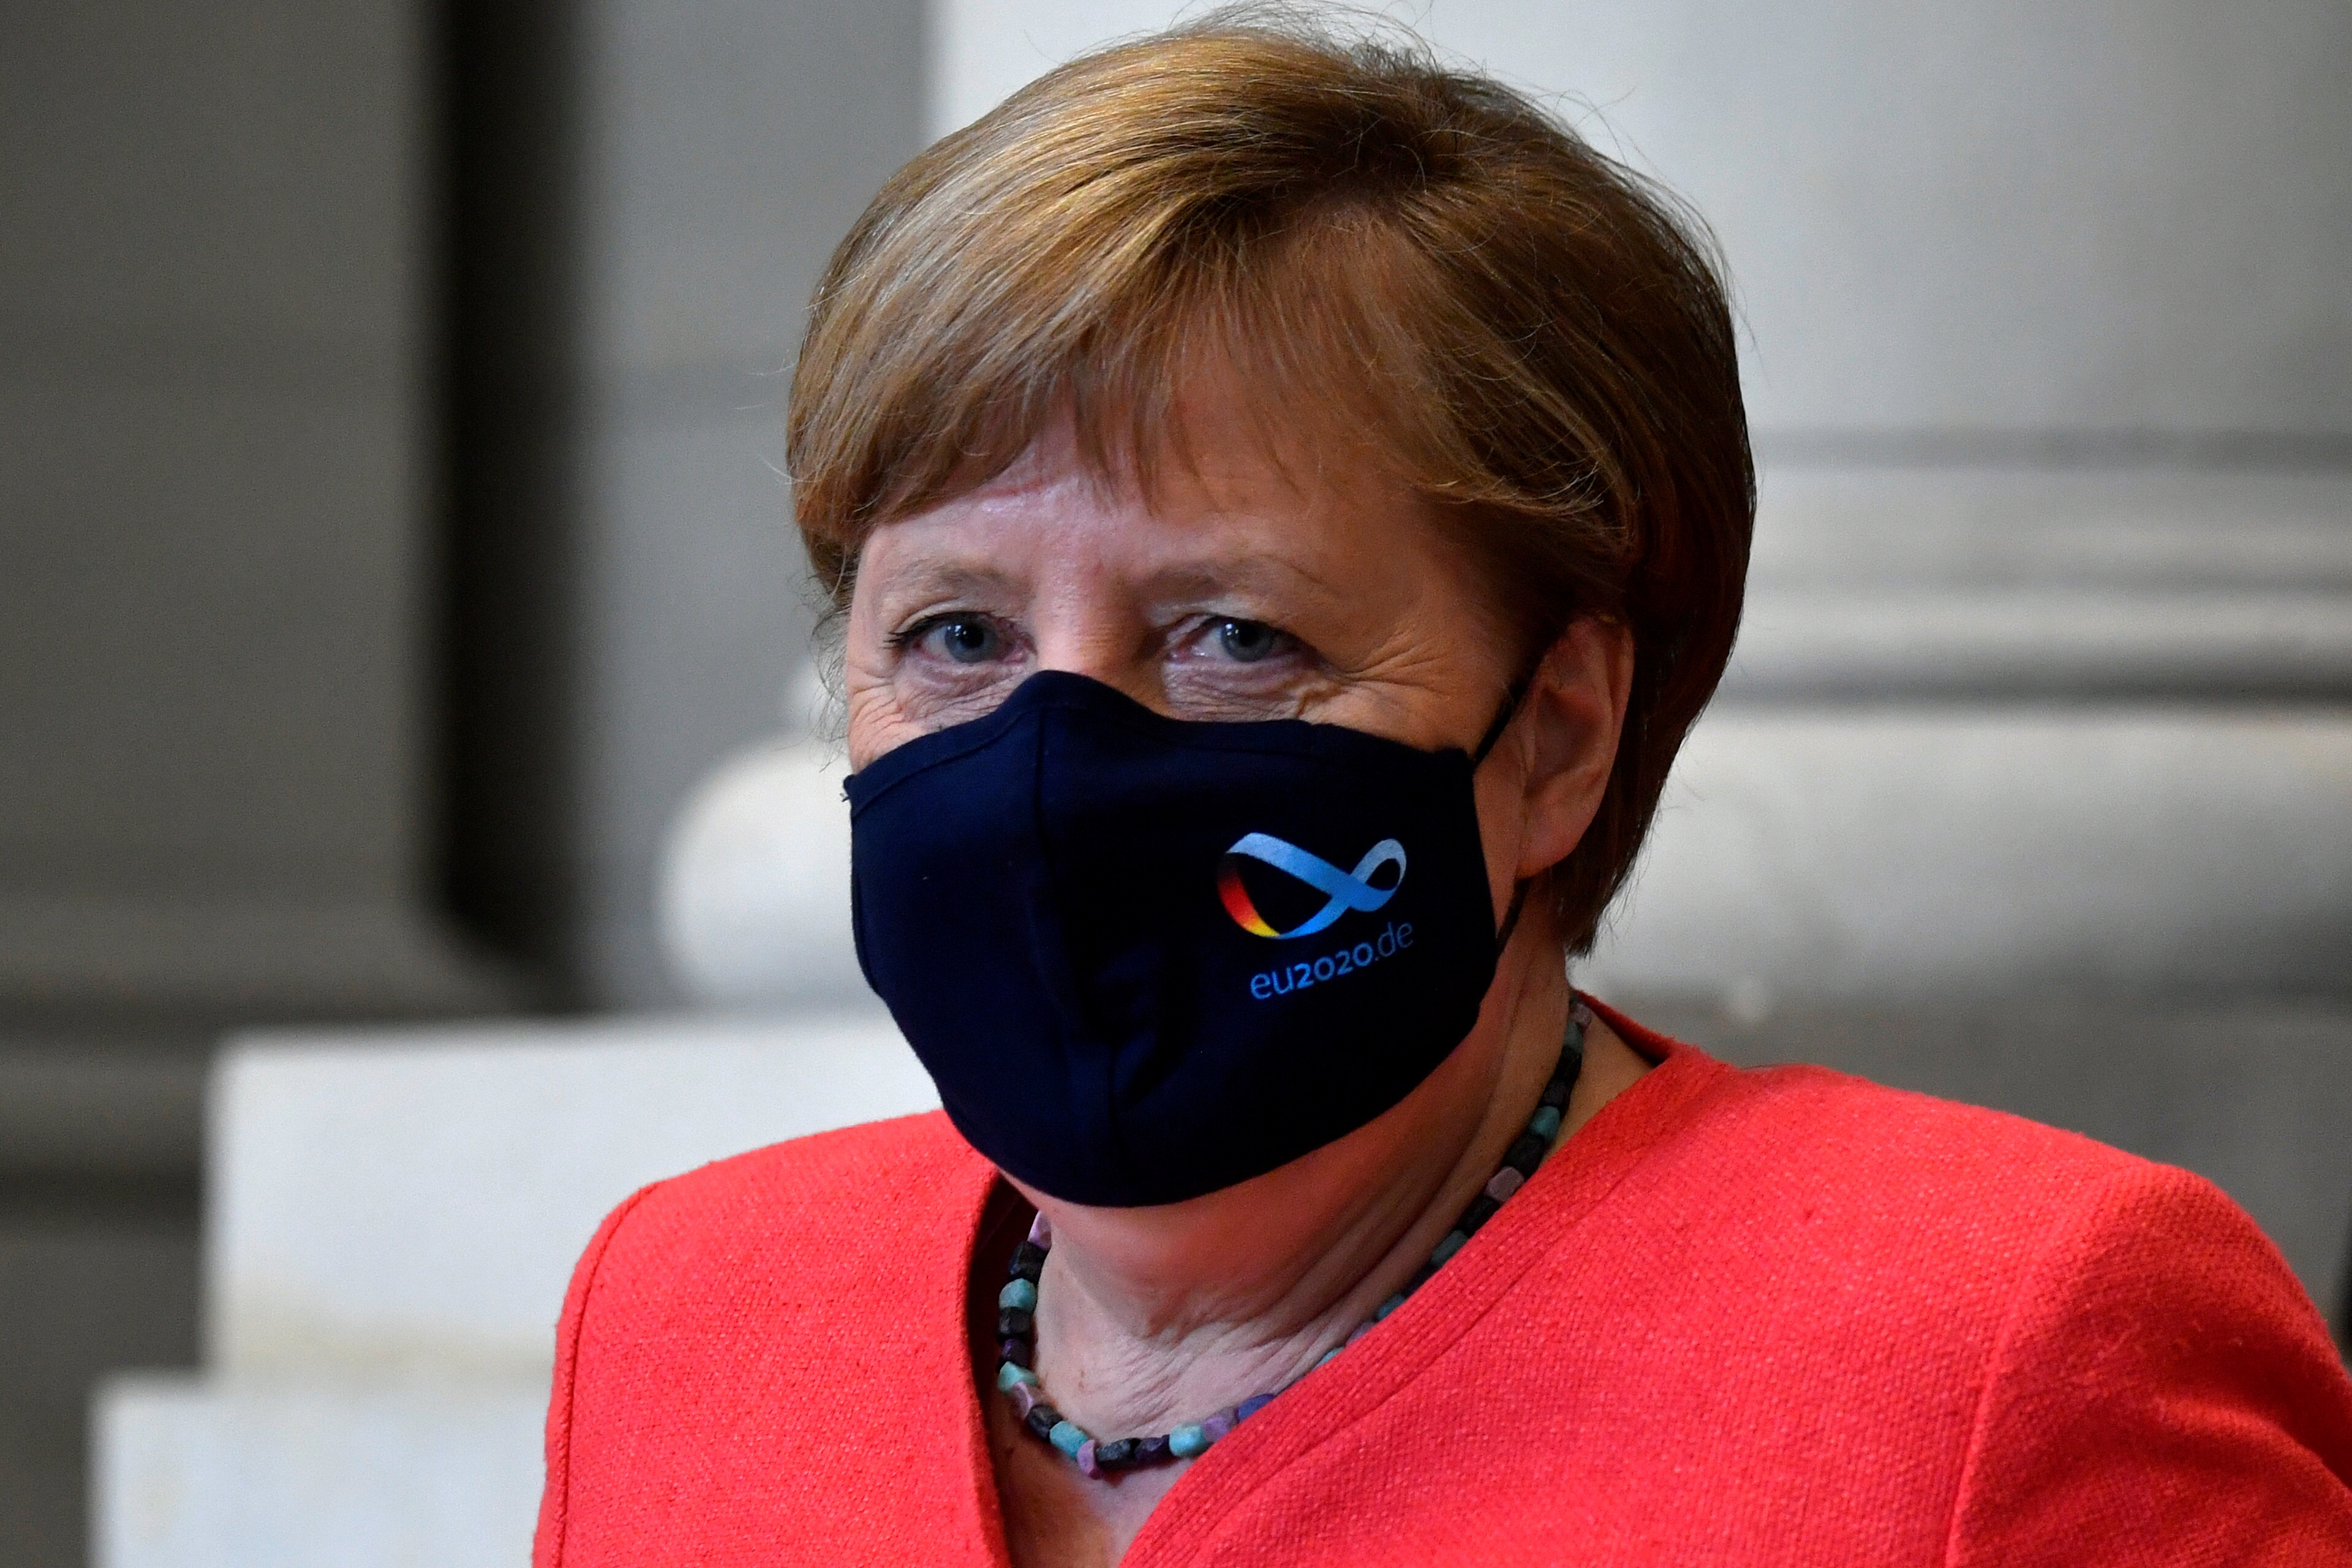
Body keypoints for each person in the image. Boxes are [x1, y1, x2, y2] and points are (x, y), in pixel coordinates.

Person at [530, 18, 2352, 1567]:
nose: (1053, 759)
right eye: (956, 634)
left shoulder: (2001, 1350)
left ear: (1557, 733)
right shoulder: (696, 1318)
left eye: (1234, 634)